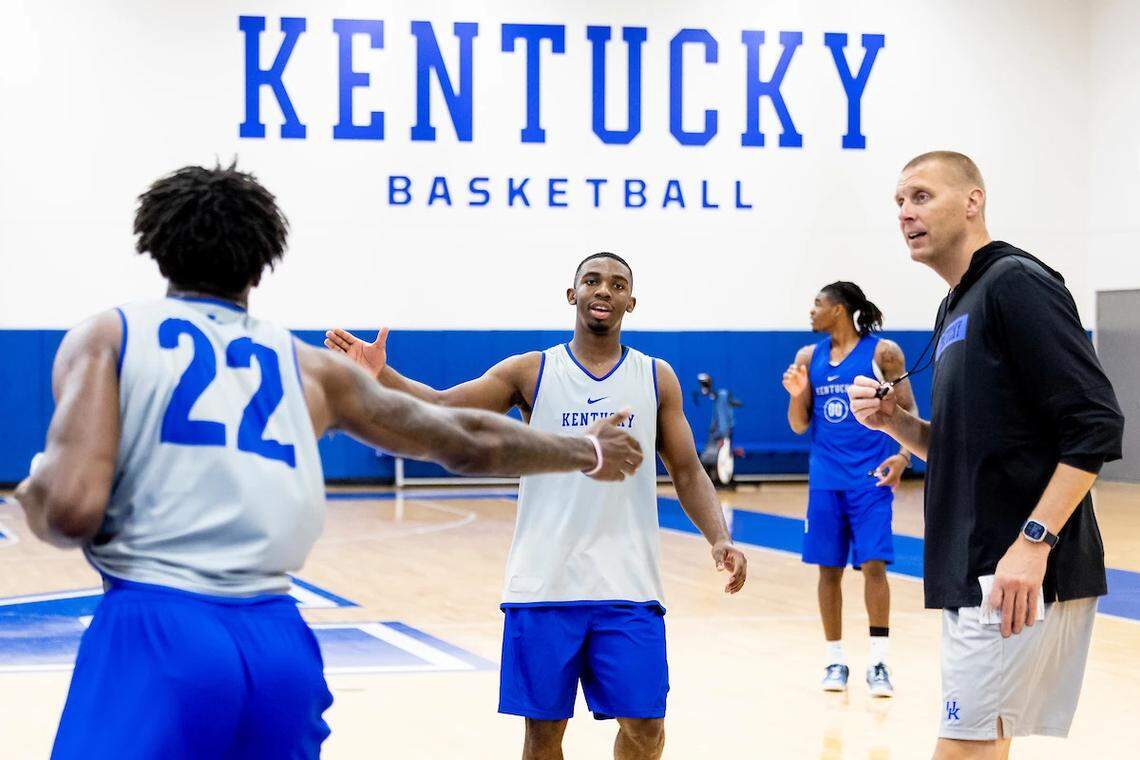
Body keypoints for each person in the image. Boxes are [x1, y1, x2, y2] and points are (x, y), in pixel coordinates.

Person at [12, 164, 642, 760]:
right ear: (263, 262)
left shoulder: (109, 336)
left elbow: (69, 509)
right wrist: (586, 450)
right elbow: (467, 438)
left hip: (155, 624)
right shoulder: (305, 364)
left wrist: (34, 492)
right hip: (278, 647)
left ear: (154, 246)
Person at [325, 251, 748, 760]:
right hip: (544, 583)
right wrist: (382, 376)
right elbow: (441, 406)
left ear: (630, 302)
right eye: (591, 281)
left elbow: (686, 470)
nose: (603, 291)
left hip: (629, 584)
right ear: (572, 295)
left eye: (616, 285)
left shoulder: (656, 378)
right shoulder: (531, 371)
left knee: (647, 727)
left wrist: (719, 536)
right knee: (542, 738)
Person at [848, 151, 1124, 759]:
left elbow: (1096, 423)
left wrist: (1033, 543)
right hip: (976, 566)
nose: (905, 213)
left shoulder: (1015, 284)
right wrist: (897, 423)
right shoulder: (957, 304)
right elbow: (958, 446)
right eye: (898, 202)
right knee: (982, 746)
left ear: (973, 200)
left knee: (964, 750)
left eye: (921, 196)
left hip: (1013, 569)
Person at [781, 282, 914, 697]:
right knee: (828, 571)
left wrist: (904, 458)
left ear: (838, 310)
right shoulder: (808, 357)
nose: (811, 311)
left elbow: (909, 410)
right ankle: (835, 659)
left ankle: (878, 660)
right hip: (825, 481)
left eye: (817, 303)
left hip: (870, 479)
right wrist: (797, 396)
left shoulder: (883, 354)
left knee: (874, 565)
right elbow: (799, 424)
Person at [694, 372, 743, 485]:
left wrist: (723, 436)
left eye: (705, 384)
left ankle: (720, 480)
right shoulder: (717, 398)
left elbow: (723, 420)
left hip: (721, 435)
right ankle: (713, 480)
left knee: (718, 457)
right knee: (708, 458)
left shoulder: (722, 398)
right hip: (717, 434)